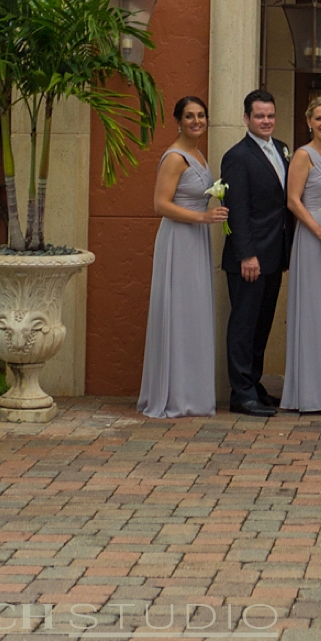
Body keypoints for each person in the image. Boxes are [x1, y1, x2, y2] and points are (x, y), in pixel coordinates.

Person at [137, 94, 227, 419]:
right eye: (189, 116)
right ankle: (174, 394)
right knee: (179, 310)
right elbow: (160, 205)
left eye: (201, 115)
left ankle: (193, 391)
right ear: (178, 121)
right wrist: (203, 218)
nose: (196, 121)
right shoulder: (175, 157)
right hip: (178, 239)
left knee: (194, 313)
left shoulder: (199, 154)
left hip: (197, 239)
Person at [219, 88, 291, 418]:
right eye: (259, 116)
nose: (266, 121)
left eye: (270, 115)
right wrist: (247, 254)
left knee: (263, 324)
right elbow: (237, 208)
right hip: (250, 258)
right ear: (246, 118)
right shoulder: (237, 156)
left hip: (275, 253)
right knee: (244, 325)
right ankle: (241, 392)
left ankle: (254, 382)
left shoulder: (281, 149)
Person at [281, 92, 321, 413]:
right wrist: (318, 230)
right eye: (318, 118)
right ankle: (308, 393)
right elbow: (293, 200)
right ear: (308, 122)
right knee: (313, 310)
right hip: (311, 237)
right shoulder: (303, 156)